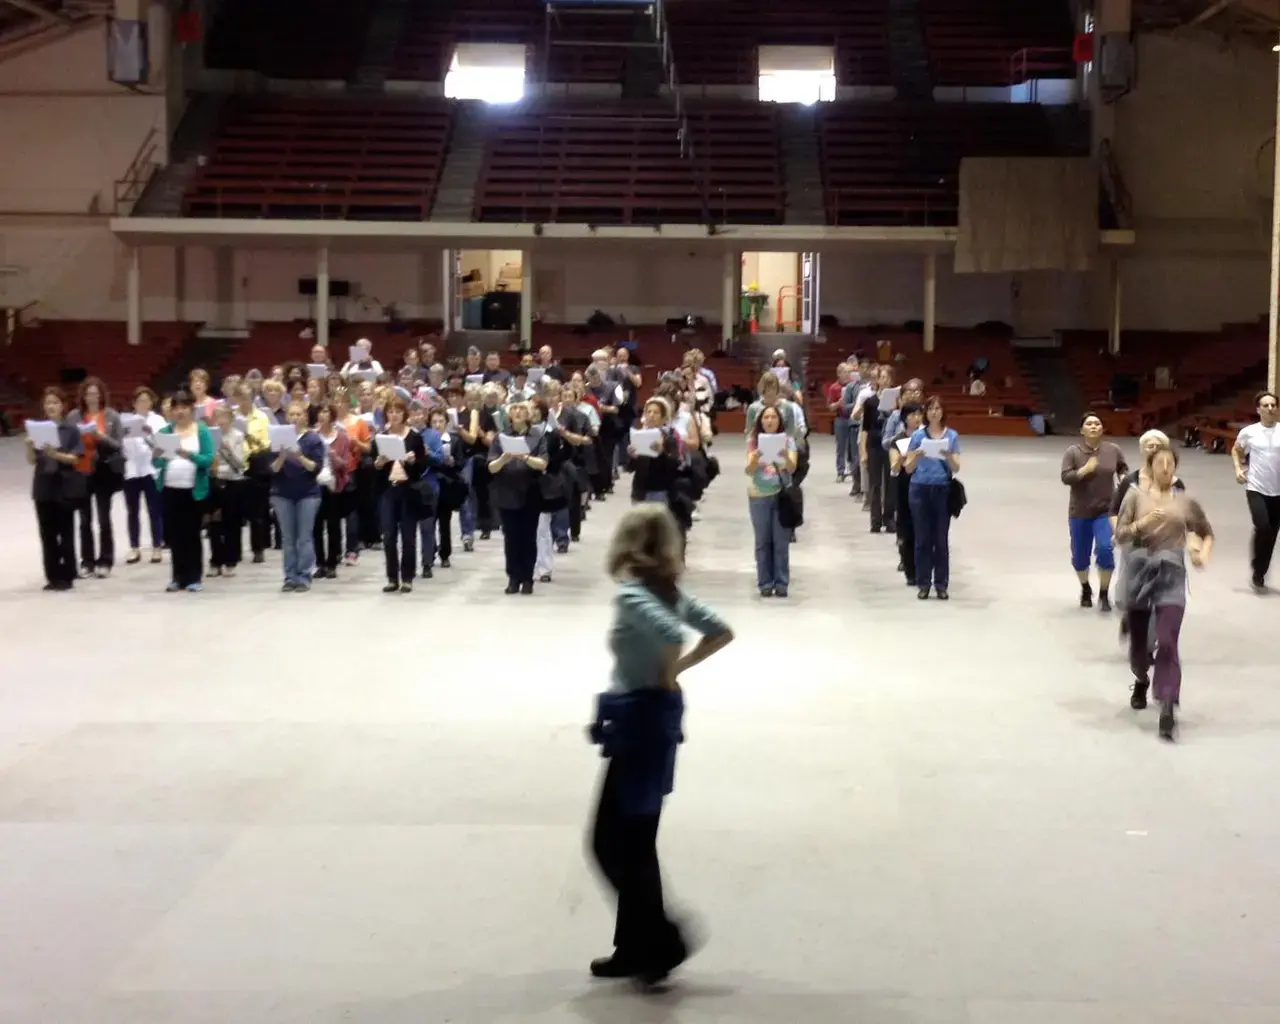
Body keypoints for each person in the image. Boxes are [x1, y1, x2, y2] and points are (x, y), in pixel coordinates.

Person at [588, 504, 733, 985]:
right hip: (656, 723)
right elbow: (719, 631)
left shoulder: (633, 594)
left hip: (638, 722)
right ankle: (635, 947)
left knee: (609, 842)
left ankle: (662, 938)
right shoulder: (667, 590)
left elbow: (672, 634)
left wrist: (669, 671)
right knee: (635, 839)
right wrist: (679, 672)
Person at [1115, 447, 1213, 740]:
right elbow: (1120, 534)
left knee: (1168, 641)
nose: (1166, 468)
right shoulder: (1134, 496)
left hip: (1171, 575)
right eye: (1161, 463)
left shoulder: (1185, 503)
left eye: (1171, 464)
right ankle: (1142, 678)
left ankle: (1168, 704)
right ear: (1150, 467)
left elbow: (1206, 532)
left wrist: (1201, 553)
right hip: (1139, 573)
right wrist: (1142, 524)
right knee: (1141, 645)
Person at [1060, 413, 1128, 611]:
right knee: (1080, 557)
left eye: (1097, 423)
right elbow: (1066, 477)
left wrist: (1123, 477)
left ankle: (1104, 594)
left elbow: (1122, 467)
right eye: (1089, 424)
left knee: (1106, 549)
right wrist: (1084, 470)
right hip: (1080, 511)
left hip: (1106, 510)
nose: (1093, 426)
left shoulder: (1113, 450)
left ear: (1102, 428)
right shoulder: (1073, 452)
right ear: (1082, 430)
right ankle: (1085, 587)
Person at [153, 390, 215, 593]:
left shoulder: (202, 431)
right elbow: (157, 462)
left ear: (191, 409)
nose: (180, 412)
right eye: (176, 408)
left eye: (184, 407)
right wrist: (157, 455)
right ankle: (177, 577)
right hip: (170, 489)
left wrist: (190, 455)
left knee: (191, 534)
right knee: (174, 535)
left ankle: (194, 576)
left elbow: (207, 459)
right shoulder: (165, 431)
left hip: (193, 491)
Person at [488, 400, 548, 594]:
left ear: (529, 414)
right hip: (506, 492)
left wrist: (525, 457)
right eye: (514, 409)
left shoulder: (537, 436)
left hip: (530, 492)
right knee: (511, 537)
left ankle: (528, 578)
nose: (518, 412)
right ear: (509, 414)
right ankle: (513, 577)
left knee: (528, 537)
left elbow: (543, 464)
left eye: (522, 409)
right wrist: (503, 458)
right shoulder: (501, 437)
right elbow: (491, 467)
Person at [904, 397, 961, 600]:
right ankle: (923, 583)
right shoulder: (918, 435)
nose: (935, 412)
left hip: (942, 489)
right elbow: (908, 467)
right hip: (920, 489)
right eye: (931, 408)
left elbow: (956, 467)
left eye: (938, 408)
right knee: (922, 539)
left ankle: (941, 584)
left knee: (940, 539)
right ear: (926, 413)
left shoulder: (952, 436)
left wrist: (947, 455)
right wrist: (918, 454)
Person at [28, 387, 85, 591]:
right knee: (47, 534)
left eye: (54, 402)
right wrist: (29, 445)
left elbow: (75, 458)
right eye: (48, 402)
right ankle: (52, 575)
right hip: (43, 485)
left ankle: (68, 574)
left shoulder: (70, 430)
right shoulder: (38, 429)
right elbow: (32, 460)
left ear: (63, 406)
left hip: (64, 485)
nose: (50, 406)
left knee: (66, 532)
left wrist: (55, 454)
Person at [67, 376, 124, 578]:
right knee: (84, 520)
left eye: (95, 393)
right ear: (82, 396)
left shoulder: (112, 416)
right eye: (88, 393)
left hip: (104, 471)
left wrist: (101, 437)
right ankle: (87, 560)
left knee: (103, 518)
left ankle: (105, 559)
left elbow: (119, 445)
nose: (92, 397)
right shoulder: (74, 416)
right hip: (81, 471)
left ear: (101, 395)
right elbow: (67, 442)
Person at [270, 400, 325, 593]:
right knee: (288, 538)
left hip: (307, 493)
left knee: (304, 537)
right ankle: (289, 575)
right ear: (286, 417)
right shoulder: (278, 437)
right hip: (282, 493)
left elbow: (316, 468)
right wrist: (283, 456)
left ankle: (304, 575)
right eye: (291, 414)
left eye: (298, 414)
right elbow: (273, 469)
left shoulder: (313, 439)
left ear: (305, 416)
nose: (295, 418)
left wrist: (299, 456)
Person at [373, 397, 427, 593]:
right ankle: (392, 577)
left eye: (398, 411)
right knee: (389, 535)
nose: (394, 415)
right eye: (390, 411)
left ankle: (407, 577)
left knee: (408, 535)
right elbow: (375, 466)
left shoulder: (414, 437)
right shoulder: (382, 437)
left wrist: (411, 461)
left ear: (404, 414)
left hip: (408, 489)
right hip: (388, 489)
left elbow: (422, 467)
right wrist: (379, 463)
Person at [746, 405, 798, 597]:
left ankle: (782, 582)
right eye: (766, 417)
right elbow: (749, 470)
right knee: (762, 541)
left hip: (780, 495)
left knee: (781, 542)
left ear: (779, 421)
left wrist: (784, 455)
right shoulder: (753, 442)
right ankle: (765, 582)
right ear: (760, 421)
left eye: (773, 417)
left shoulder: (788, 441)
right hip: (758, 495)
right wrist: (756, 457)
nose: (769, 421)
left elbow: (792, 468)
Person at [1231, 391, 1280, 593]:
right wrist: (1237, 468)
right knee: (1263, 527)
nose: (1270, 408)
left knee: (1272, 534)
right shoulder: (1249, 432)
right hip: (1256, 487)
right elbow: (1236, 449)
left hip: (1278, 491)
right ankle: (1256, 566)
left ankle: (1260, 572)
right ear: (1258, 409)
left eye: (1273, 405)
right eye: (1265, 405)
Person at [122, 386, 166, 565]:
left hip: (151, 469)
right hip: (132, 470)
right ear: (134, 403)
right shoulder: (127, 421)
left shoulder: (158, 420)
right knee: (132, 511)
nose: (143, 404)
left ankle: (157, 546)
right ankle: (134, 547)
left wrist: (149, 436)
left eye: (146, 401)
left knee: (154, 510)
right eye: (140, 401)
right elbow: (122, 445)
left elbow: (164, 446)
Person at [312, 401, 352, 580]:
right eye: (320, 411)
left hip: (334, 485)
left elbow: (346, 464)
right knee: (316, 526)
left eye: (326, 411)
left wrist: (334, 457)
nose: (322, 415)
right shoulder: (312, 436)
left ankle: (332, 563)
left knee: (333, 526)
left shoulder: (342, 437)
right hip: (315, 484)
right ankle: (319, 562)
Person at [888, 401, 925, 587]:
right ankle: (910, 570)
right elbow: (894, 467)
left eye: (919, 414)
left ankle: (924, 568)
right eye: (912, 414)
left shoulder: (927, 438)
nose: (916, 418)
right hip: (904, 487)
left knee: (924, 530)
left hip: (925, 485)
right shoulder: (898, 440)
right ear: (904, 418)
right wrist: (902, 458)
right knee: (906, 530)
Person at [208, 404, 247, 578]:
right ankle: (215, 560)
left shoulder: (238, 436)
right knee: (214, 523)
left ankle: (231, 561)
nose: (221, 421)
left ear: (231, 419)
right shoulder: (209, 435)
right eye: (218, 417)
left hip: (233, 481)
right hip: (215, 479)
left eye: (224, 417)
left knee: (231, 523)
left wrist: (227, 450)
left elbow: (240, 465)